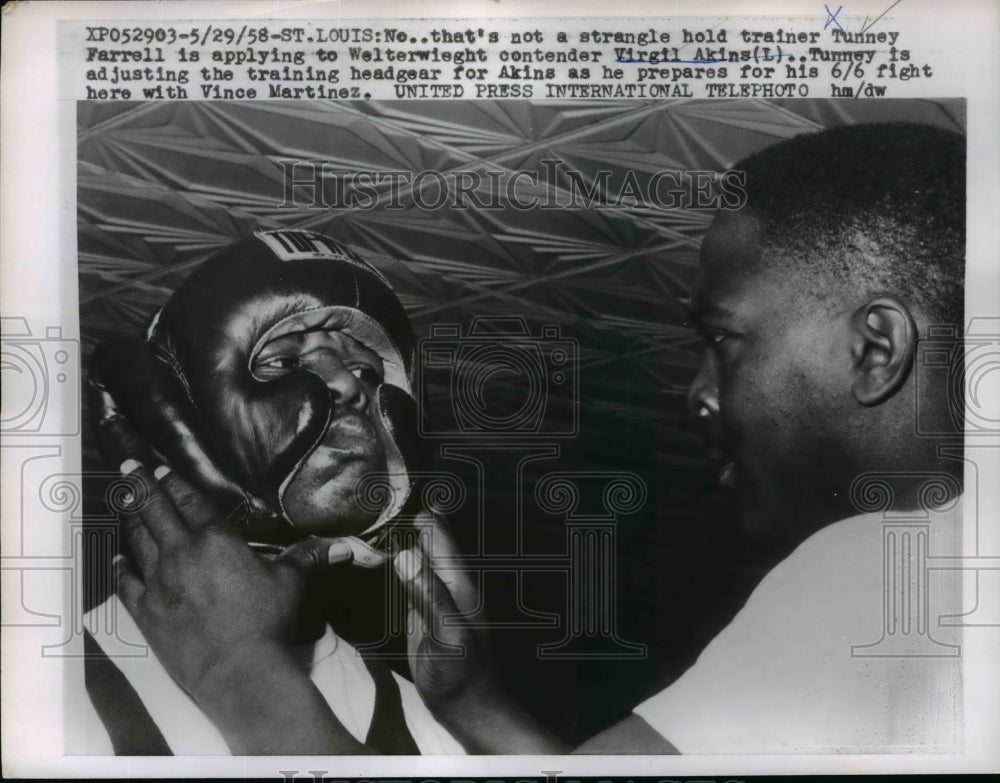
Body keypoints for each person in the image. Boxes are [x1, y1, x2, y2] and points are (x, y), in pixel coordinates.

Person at [109, 122, 967, 754]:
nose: (698, 393)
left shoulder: (886, 575)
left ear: (877, 348)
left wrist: (237, 672)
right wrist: (475, 705)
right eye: (284, 355)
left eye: (723, 338)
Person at [81, 228, 466, 755]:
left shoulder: (428, 723)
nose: (351, 386)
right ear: (180, 415)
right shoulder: (40, 682)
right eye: (284, 362)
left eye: (367, 371)